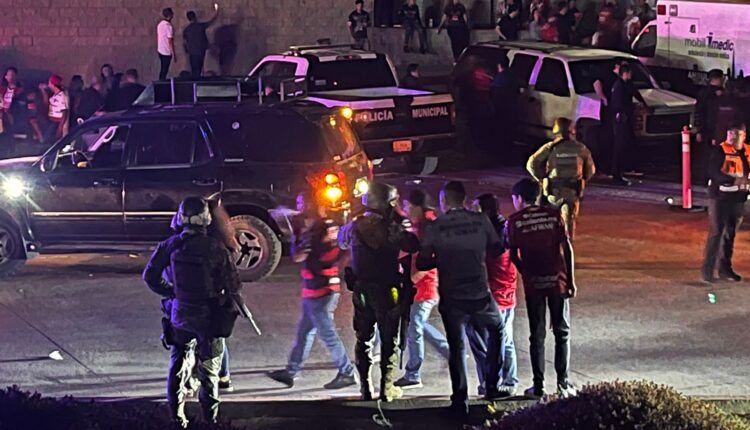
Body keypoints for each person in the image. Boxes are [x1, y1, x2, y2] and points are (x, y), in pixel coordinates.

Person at [143, 197, 241, 427]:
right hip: (209, 318)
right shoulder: (215, 248)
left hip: (180, 316)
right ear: (206, 219)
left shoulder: (170, 245)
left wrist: (172, 293)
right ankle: (210, 421)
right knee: (210, 373)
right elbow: (234, 285)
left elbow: (150, 277)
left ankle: (176, 417)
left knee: (177, 366)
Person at [417, 181, 506, 420]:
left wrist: (444, 259)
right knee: (497, 330)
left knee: (457, 348)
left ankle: (460, 400)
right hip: (479, 292)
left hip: (452, 295)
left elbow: (423, 262)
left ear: (446, 199)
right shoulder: (481, 221)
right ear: (465, 199)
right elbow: (497, 249)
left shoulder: (437, 226)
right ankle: (492, 384)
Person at [267, 192, 358, 390]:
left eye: (303, 202)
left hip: (323, 290)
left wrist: (331, 267)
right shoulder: (317, 227)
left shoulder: (321, 229)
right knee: (304, 333)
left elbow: (306, 256)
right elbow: (301, 257)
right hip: (315, 289)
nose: (299, 206)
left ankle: (347, 372)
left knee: (327, 334)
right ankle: (291, 372)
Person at [338, 182, 420, 402]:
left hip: (362, 290)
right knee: (388, 340)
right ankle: (386, 388)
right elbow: (413, 244)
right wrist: (398, 218)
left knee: (363, 339)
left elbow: (342, 242)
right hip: (387, 290)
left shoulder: (354, 225)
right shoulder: (392, 226)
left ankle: (365, 389)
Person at [506, 178, 577, 400]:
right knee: (561, 332)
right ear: (537, 196)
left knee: (537, 335)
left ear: (518, 199)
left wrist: (525, 272)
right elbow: (567, 247)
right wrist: (572, 281)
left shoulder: (515, 221)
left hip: (534, 284)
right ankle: (563, 384)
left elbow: (512, 254)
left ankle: (538, 386)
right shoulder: (554, 215)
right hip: (558, 280)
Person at [394, 190, 450, 389]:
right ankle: (450, 352)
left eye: (409, 205)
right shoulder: (421, 225)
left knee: (414, 327)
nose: (407, 210)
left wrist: (414, 277)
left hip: (424, 287)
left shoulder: (427, 227)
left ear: (417, 206)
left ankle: (413, 374)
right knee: (418, 324)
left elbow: (429, 259)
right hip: (419, 286)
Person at [474, 193, 518, 396]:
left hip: (496, 293)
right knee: (503, 338)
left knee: (494, 339)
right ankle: (506, 381)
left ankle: (497, 381)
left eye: (476, 209)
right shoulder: (504, 227)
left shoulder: (495, 233)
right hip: (506, 291)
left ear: (486, 211)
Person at [527, 117, 596, 239]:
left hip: (553, 193)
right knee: (568, 227)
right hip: (572, 192)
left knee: (549, 222)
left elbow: (531, 164)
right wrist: (582, 179)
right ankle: (567, 251)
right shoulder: (580, 148)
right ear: (572, 131)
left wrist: (542, 179)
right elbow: (590, 171)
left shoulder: (550, 147)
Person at [701, 123, 749, 284]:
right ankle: (708, 270)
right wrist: (733, 179)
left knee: (730, 234)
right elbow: (714, 172)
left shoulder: (747, 151)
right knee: (716, 233)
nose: (732, 137)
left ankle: (725, 269)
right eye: (730, 134)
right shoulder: (720, 150)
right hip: (720, 197)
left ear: (744, 135)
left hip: (739, 198)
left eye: (736, 134)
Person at [609, 63, 646, 185]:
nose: (631, 75)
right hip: (621, 120)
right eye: (629, 72)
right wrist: (621, 115)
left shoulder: (627, 85)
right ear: (625, 73)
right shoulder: (619, 86)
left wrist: (642, 103)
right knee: (620, 145)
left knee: (626, 144)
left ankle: (623, 169)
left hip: (627, 118)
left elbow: (635, 93)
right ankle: (616, 172)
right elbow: (617, 104)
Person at [593, 60, 623, 176]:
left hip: (611, 109)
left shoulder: (617, 79)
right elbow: (596, 83)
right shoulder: (608, 76)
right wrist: (603, 98)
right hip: (607, 110)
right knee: (607, 137)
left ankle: (610, 166)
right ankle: (606, 166)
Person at [490, 55, 520, 153]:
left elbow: (494, 95)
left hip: (501, 111)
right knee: (510, 132)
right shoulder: (513, 76)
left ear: (499, 65)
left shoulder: (499, 80)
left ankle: (501, 151)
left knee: (501, 132)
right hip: (513, 109)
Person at [184, 5, 220, 79]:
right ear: (195, 17)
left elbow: (185, 41)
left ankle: (194, 85)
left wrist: (187, 50)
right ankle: (198, 84)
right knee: (199, 69)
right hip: (200, 51)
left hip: (192, 52)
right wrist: (217, 12)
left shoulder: (187, 29)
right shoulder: (200, 26)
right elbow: (211, 22)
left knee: (194, 70)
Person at [39, 74, 69, 145]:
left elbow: (64, 112)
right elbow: (46, 103)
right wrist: (43, 91)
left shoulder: (62, 96)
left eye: (49, 83)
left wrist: (60, 128)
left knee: (48, 142)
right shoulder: (54, 95)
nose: (48, 85)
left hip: (56, 123)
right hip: (50, 121)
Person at [0, 67, 23, 137]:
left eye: (13, 74)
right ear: (6, 77)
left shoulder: (19, 88)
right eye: (9, 75)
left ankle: (10, 133)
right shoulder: (2, 88)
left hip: (12, 108)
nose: (11, 76)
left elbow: (18, 99)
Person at [157, 8, 177, 80]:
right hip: (166, 51)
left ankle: (161, 82)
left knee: (163, 69)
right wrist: (174, 54)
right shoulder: (168, 26)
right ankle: (162, 84)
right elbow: (170, 41)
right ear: (170, 15)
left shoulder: (160, 24)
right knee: (164, 70)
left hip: (160, 50)